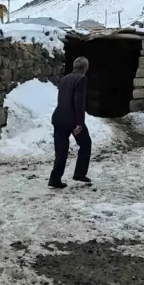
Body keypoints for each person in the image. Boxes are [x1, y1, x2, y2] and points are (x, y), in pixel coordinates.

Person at [48, 56, 92, 189]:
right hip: (72, 120)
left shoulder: (64, 79)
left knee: (61, 151)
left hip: (58, 117)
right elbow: (79, 102)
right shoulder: (81, 79)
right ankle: (79, 173)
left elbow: (61, 99)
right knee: (85, 143)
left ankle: (54, 179)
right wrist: (80, 122)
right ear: (85, 68)